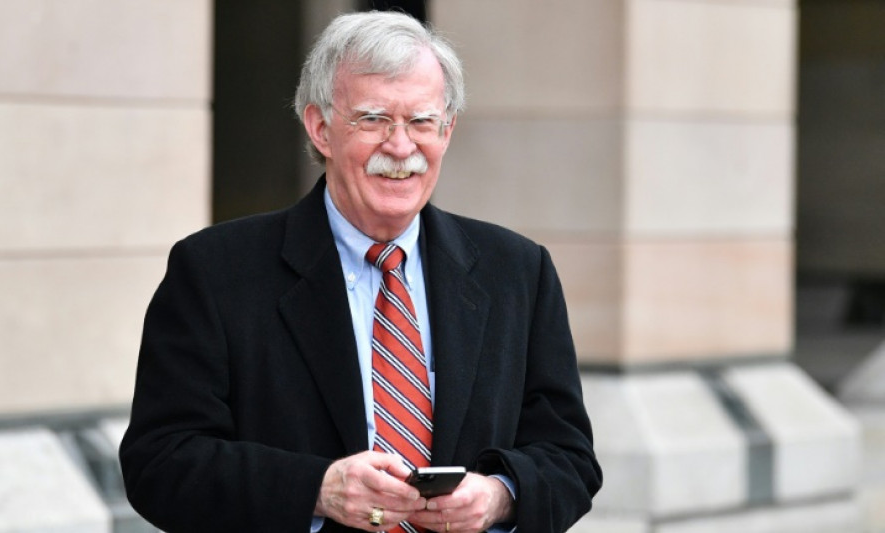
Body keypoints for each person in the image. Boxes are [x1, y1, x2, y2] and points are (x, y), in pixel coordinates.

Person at [120, 10, 601, 533]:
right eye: (373, 119)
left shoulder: (518, 272)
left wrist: (499, 495)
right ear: (320, 128)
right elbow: (159, 462)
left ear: (448, 130)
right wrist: (317, 490)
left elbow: (570, 458)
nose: (401, 146)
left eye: (422, 122)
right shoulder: (215, 272)